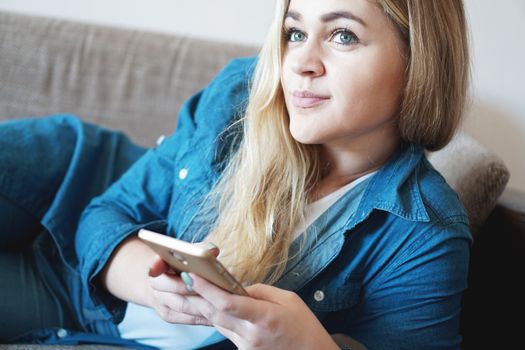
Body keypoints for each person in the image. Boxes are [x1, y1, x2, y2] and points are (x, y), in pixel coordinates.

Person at [0, 0, 472, 349]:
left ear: (417, 63)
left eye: (342, 35)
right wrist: (157, 290)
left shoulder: (424, 231)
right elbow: (104, 213)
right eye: (295, 33)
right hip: (60, 182)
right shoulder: (242, 91)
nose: (300, 64)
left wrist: (310, 345)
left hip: (84, 325)